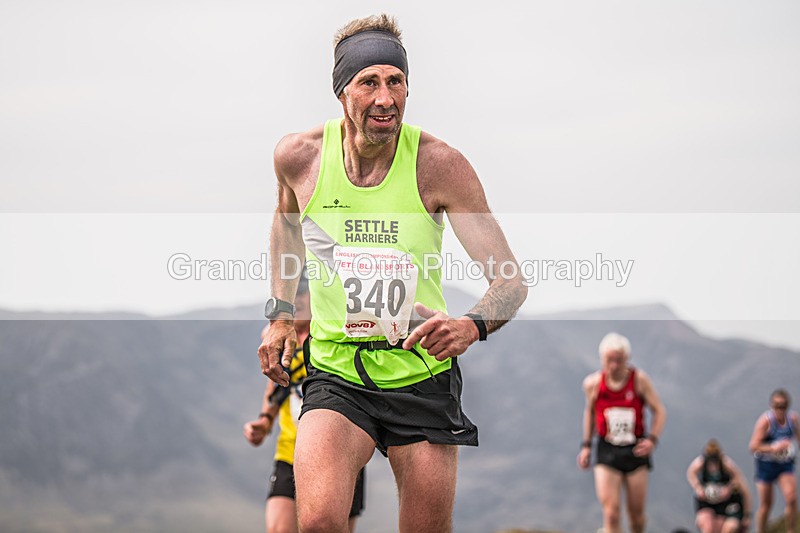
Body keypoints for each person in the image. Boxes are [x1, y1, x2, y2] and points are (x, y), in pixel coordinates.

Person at [257, 13, 528, 533]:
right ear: (342, 93)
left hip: (419, 375)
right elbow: (286, 227)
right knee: (315, 525)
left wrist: (470, 326)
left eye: (396, 81)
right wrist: (281, 316)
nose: (386, 97)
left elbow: (511, 282)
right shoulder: (300, 158)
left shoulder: (439, 166)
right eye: (369, 82)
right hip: (337, 371)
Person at [245, 277, 365, 532]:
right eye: (292, 291)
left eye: (303, 290)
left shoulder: (336, 332)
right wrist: (264, 421)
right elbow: (276, 385)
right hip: (291, 450)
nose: (297, 298)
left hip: (340, 451)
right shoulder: (276, 337)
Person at [577, 332, 667, 533]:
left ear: (627, 359)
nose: (615, 365)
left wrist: (652, 439)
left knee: (636, 515)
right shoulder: (592, 384)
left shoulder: (639, 381)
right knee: (611, 512)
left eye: (619, 360)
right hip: (607, 449)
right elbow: (590, 412)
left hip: (635, 450)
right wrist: (586, 446)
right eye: (610, 360)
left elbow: (659, 411)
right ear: (602, 359)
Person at [749, 388, 799, 533]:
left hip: (784, 464)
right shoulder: (765, 422)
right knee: (766, 504)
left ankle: (791, 530)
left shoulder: (793, 419)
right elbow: (753, 446)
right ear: (772, 405)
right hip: (766, 466)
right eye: (776, 406)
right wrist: (773, 448)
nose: (780, 409)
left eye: (783, 406)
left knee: (791, 498)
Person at [686, 438, 752, 533]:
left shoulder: (726, 463)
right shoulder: (700, 462)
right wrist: (697, 487)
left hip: (727, 505)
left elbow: (742, 484)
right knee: (707, 526)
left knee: (727, 529)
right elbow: (690, 472)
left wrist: (729, 487)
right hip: (708, 502)